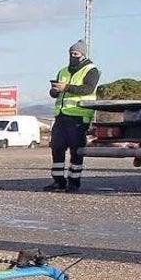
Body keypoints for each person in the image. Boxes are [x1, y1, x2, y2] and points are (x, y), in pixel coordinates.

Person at [45, 40, 100, 193]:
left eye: (75, 54)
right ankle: (58, 181)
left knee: (76, 150)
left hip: (78, 116)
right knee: (57, 147)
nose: (72, 56)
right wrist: (55, 91)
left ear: (83, 55)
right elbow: (54, 93)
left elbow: (88, 89)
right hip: (61, 115)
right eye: (71, 54)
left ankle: (74, 182)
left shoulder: (91, 70)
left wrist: (67, 87)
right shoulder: (63, 71)